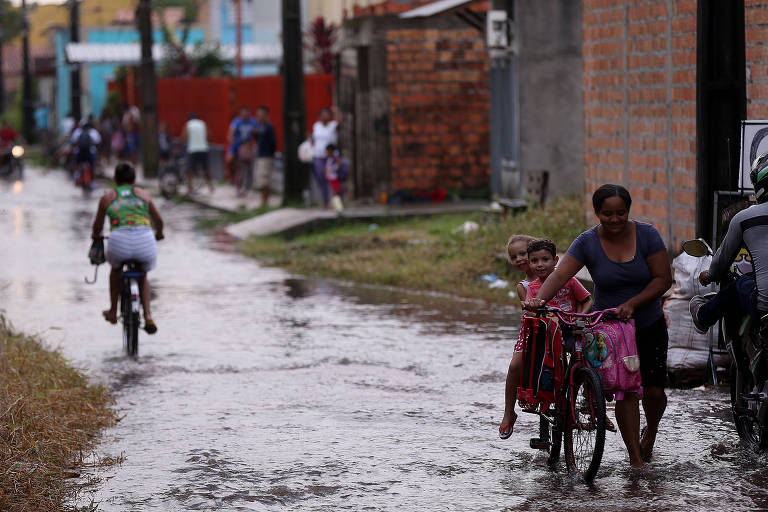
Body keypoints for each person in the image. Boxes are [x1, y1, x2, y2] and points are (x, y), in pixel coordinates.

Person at [523, 184, 672, 468]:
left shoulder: (648, 235)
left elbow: (663, 280)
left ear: (628, 211)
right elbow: (559, 275)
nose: (614, 220)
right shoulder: (587, 242)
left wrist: (633, 304)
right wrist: (537, 299)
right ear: (596, 213)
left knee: (654, 392)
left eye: (620, 213)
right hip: (608, 329)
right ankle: (635, 459)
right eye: (607, 214)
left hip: (647, 324)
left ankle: (650, 431)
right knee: (624, 391)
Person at [499, 238, 592, 439]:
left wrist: (576, 319)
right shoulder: (526, 286)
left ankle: (594, 404)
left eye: (523, 253)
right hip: (537, 330)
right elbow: (531, 314)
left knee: (589, 352)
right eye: (514, 257)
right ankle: (509, 411)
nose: (520, 259)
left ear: (553, 260)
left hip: (567, 326)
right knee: (516, 365)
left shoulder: (565, 278)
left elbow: (585, 299)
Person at [690, 153, 768, 332]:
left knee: (740, 284)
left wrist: (709, 275)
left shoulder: (746, 217)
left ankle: (703, 317)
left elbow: (721, 261)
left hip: (763, 308)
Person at [91, 162, 164, 334]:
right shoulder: (144, 195)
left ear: (115, 179)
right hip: (145, 241)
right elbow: (159, 221)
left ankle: (113, 311)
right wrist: (159, 233)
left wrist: (96, 236)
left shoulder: (107, 198)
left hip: (118, 243)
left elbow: (97, 227)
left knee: (115, 270)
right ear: (134, 179)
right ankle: (147, 316)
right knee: (143, 275)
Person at [311, 107, 341, 207]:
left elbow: (340, 123)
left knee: (333, 179)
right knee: (321, 177)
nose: (325, 117)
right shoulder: (316, 126)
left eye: (327, 115)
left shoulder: (333, 126)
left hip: (330, 158)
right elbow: (314, 140)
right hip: (318, 156)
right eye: (322, 115)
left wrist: (337, 112)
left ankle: (336, 202)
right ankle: (325, 201)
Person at [181, 113, 213, 194]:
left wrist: (183, 144)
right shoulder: (203, 123)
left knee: (190, 169)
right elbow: (209, 135)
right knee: (206, 168)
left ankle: (189, 188)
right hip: (204, 149)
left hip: (192, 149)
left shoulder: (188, 124)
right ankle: (211, 187)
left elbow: (184, 137)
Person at [227, 106, 259, 180]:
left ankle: (249, 178)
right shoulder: (237, 121)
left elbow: (257, 134)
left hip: (248, 144)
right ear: (241, 114)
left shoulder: (253, 122)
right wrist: (232, 142)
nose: (245, 115)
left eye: (246, 113)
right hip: (236, 143)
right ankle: (232, 176)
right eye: (243, 113)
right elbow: (230, 134)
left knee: (250, 159)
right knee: (230, 160)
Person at [254, 105, 276, 206]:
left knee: (265, 180)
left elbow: (273, 143)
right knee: (260, 180)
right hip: (260, 155)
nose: (259, 117)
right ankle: (263, 201)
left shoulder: (269, 127)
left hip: (267, 156)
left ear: (266, 115)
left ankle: (265, 202)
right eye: (258, 115)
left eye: (261, 115)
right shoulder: (259, 127)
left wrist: (270, 155)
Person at [324, 144, 344, 213]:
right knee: (334, 191)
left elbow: (340, 163)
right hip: (330, 177)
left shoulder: (334, 158)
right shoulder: (329, 158)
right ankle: (336, 205)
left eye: (327, 151)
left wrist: (334, 169)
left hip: (333, 177)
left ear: (331, 151)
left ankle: (338, 206)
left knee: (336, 192)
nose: (326, 153)